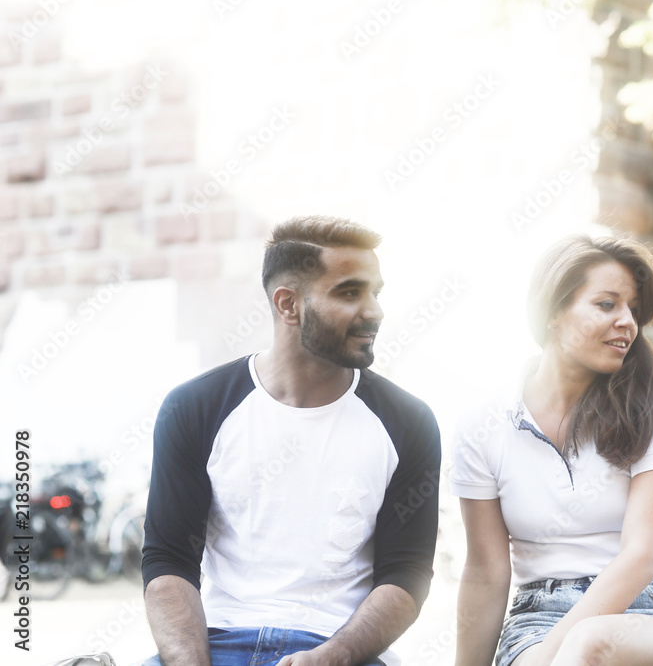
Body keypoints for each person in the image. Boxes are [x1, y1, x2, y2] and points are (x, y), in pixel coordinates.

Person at [141, 216, 441, 666]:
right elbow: (168, 563)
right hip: (217, 643)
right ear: (288, 305)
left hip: (342, 650)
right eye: (350, 292)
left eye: (376, 292)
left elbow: (406, 575)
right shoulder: (195, 407)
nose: (375, 310)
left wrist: (333, 656)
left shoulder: (408, 421)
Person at [451, 236, 653, 666]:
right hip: (537, 617)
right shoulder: (484, 425)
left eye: (633, 309)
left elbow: (641, 556)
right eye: (607, 304)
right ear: (553, 312)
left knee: (589, 644)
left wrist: (550, 656)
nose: (627, 322)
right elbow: (485, 573)